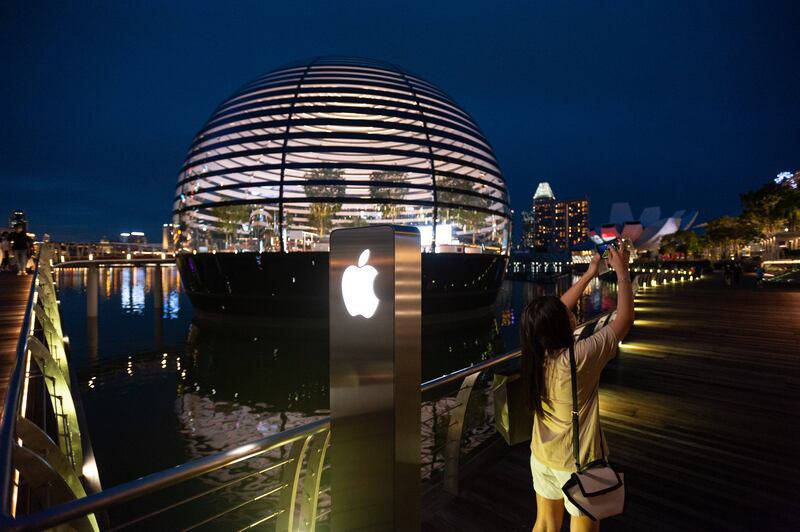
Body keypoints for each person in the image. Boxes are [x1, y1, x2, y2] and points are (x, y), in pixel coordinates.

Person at [522, 244, 634, 532]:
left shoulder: (536, 355)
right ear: (560, 326)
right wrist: (622, 272)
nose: (570, 312)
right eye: (566, 314)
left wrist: (589, 274)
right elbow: (623, 321)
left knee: (545, 525)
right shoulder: (578, 358)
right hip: (578, 463)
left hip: (542, 456)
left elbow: (554, 311)